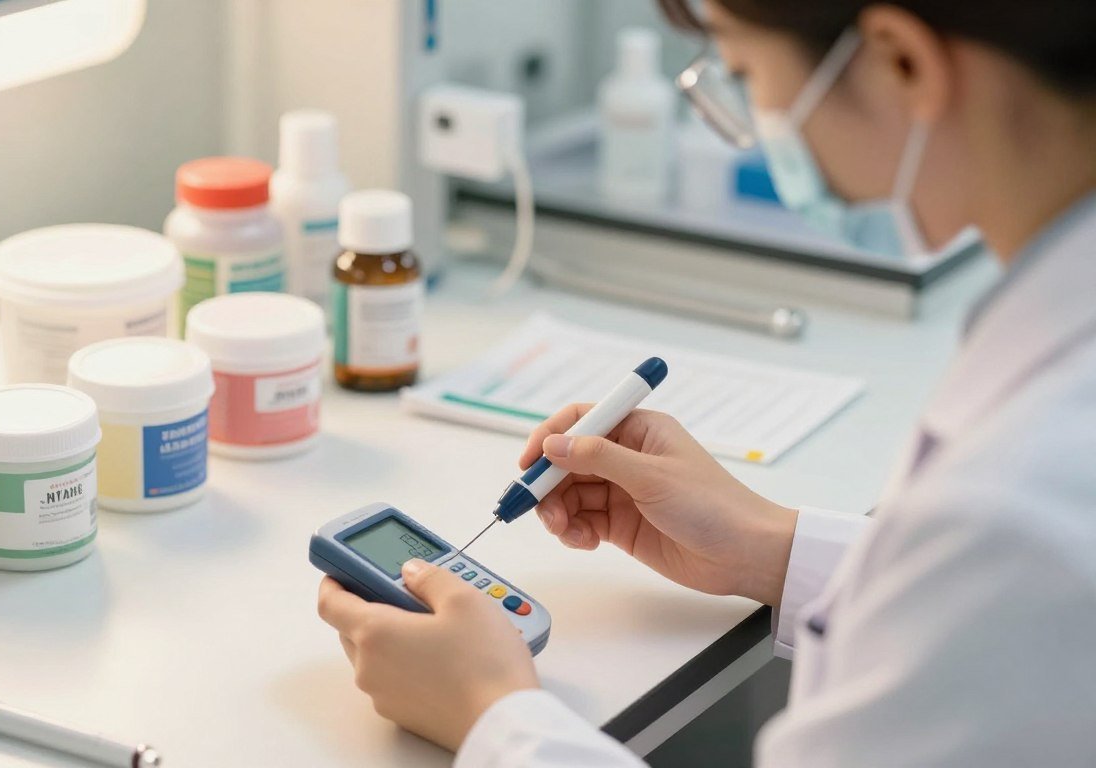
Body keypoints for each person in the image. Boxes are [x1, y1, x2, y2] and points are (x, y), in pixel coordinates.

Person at [317, 0, 1096, 764]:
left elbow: (988, 573)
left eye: (746, 70)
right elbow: (962, 609)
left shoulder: (1013, 512)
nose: (753, 120)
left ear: (902, 61)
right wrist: (769, 548)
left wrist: (492, 716)